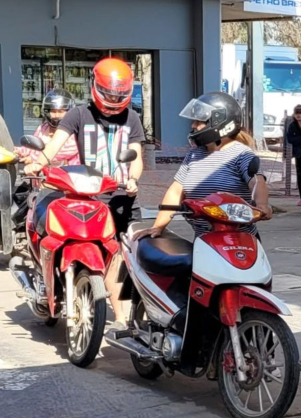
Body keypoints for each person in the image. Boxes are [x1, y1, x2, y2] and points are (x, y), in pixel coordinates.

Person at [24, 57, 145, 326]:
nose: (113, 100)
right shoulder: (78, 114)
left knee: (127, 255)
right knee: (85, 244)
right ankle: (109, 311)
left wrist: (133, 178)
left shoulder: (132, 118)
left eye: (119, 95)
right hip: (90, 196)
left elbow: (136, 155)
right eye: (109, 93)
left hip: (122, 195)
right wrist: (39, 163)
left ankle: (130, 317)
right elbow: (54, 145)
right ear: (96, 88)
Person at [134, 92, 271, 242]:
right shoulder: (194, 154)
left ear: (220, 122)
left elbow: (256, 181)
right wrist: (158, 227)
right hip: (205, 241)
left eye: (199, 121)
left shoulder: (241, 154)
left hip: (240, 240)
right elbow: (176, 191)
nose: (193, 126)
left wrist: (262, 205)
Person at [15, 89, 80, 166]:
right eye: (53, 111)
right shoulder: (43, 128)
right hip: (41, 172)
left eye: (61, 111)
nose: (56, 115)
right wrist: (19, 151)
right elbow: (32, 147)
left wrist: (34, 159)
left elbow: (63, 152)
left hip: (67, 171)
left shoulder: (73, 130)